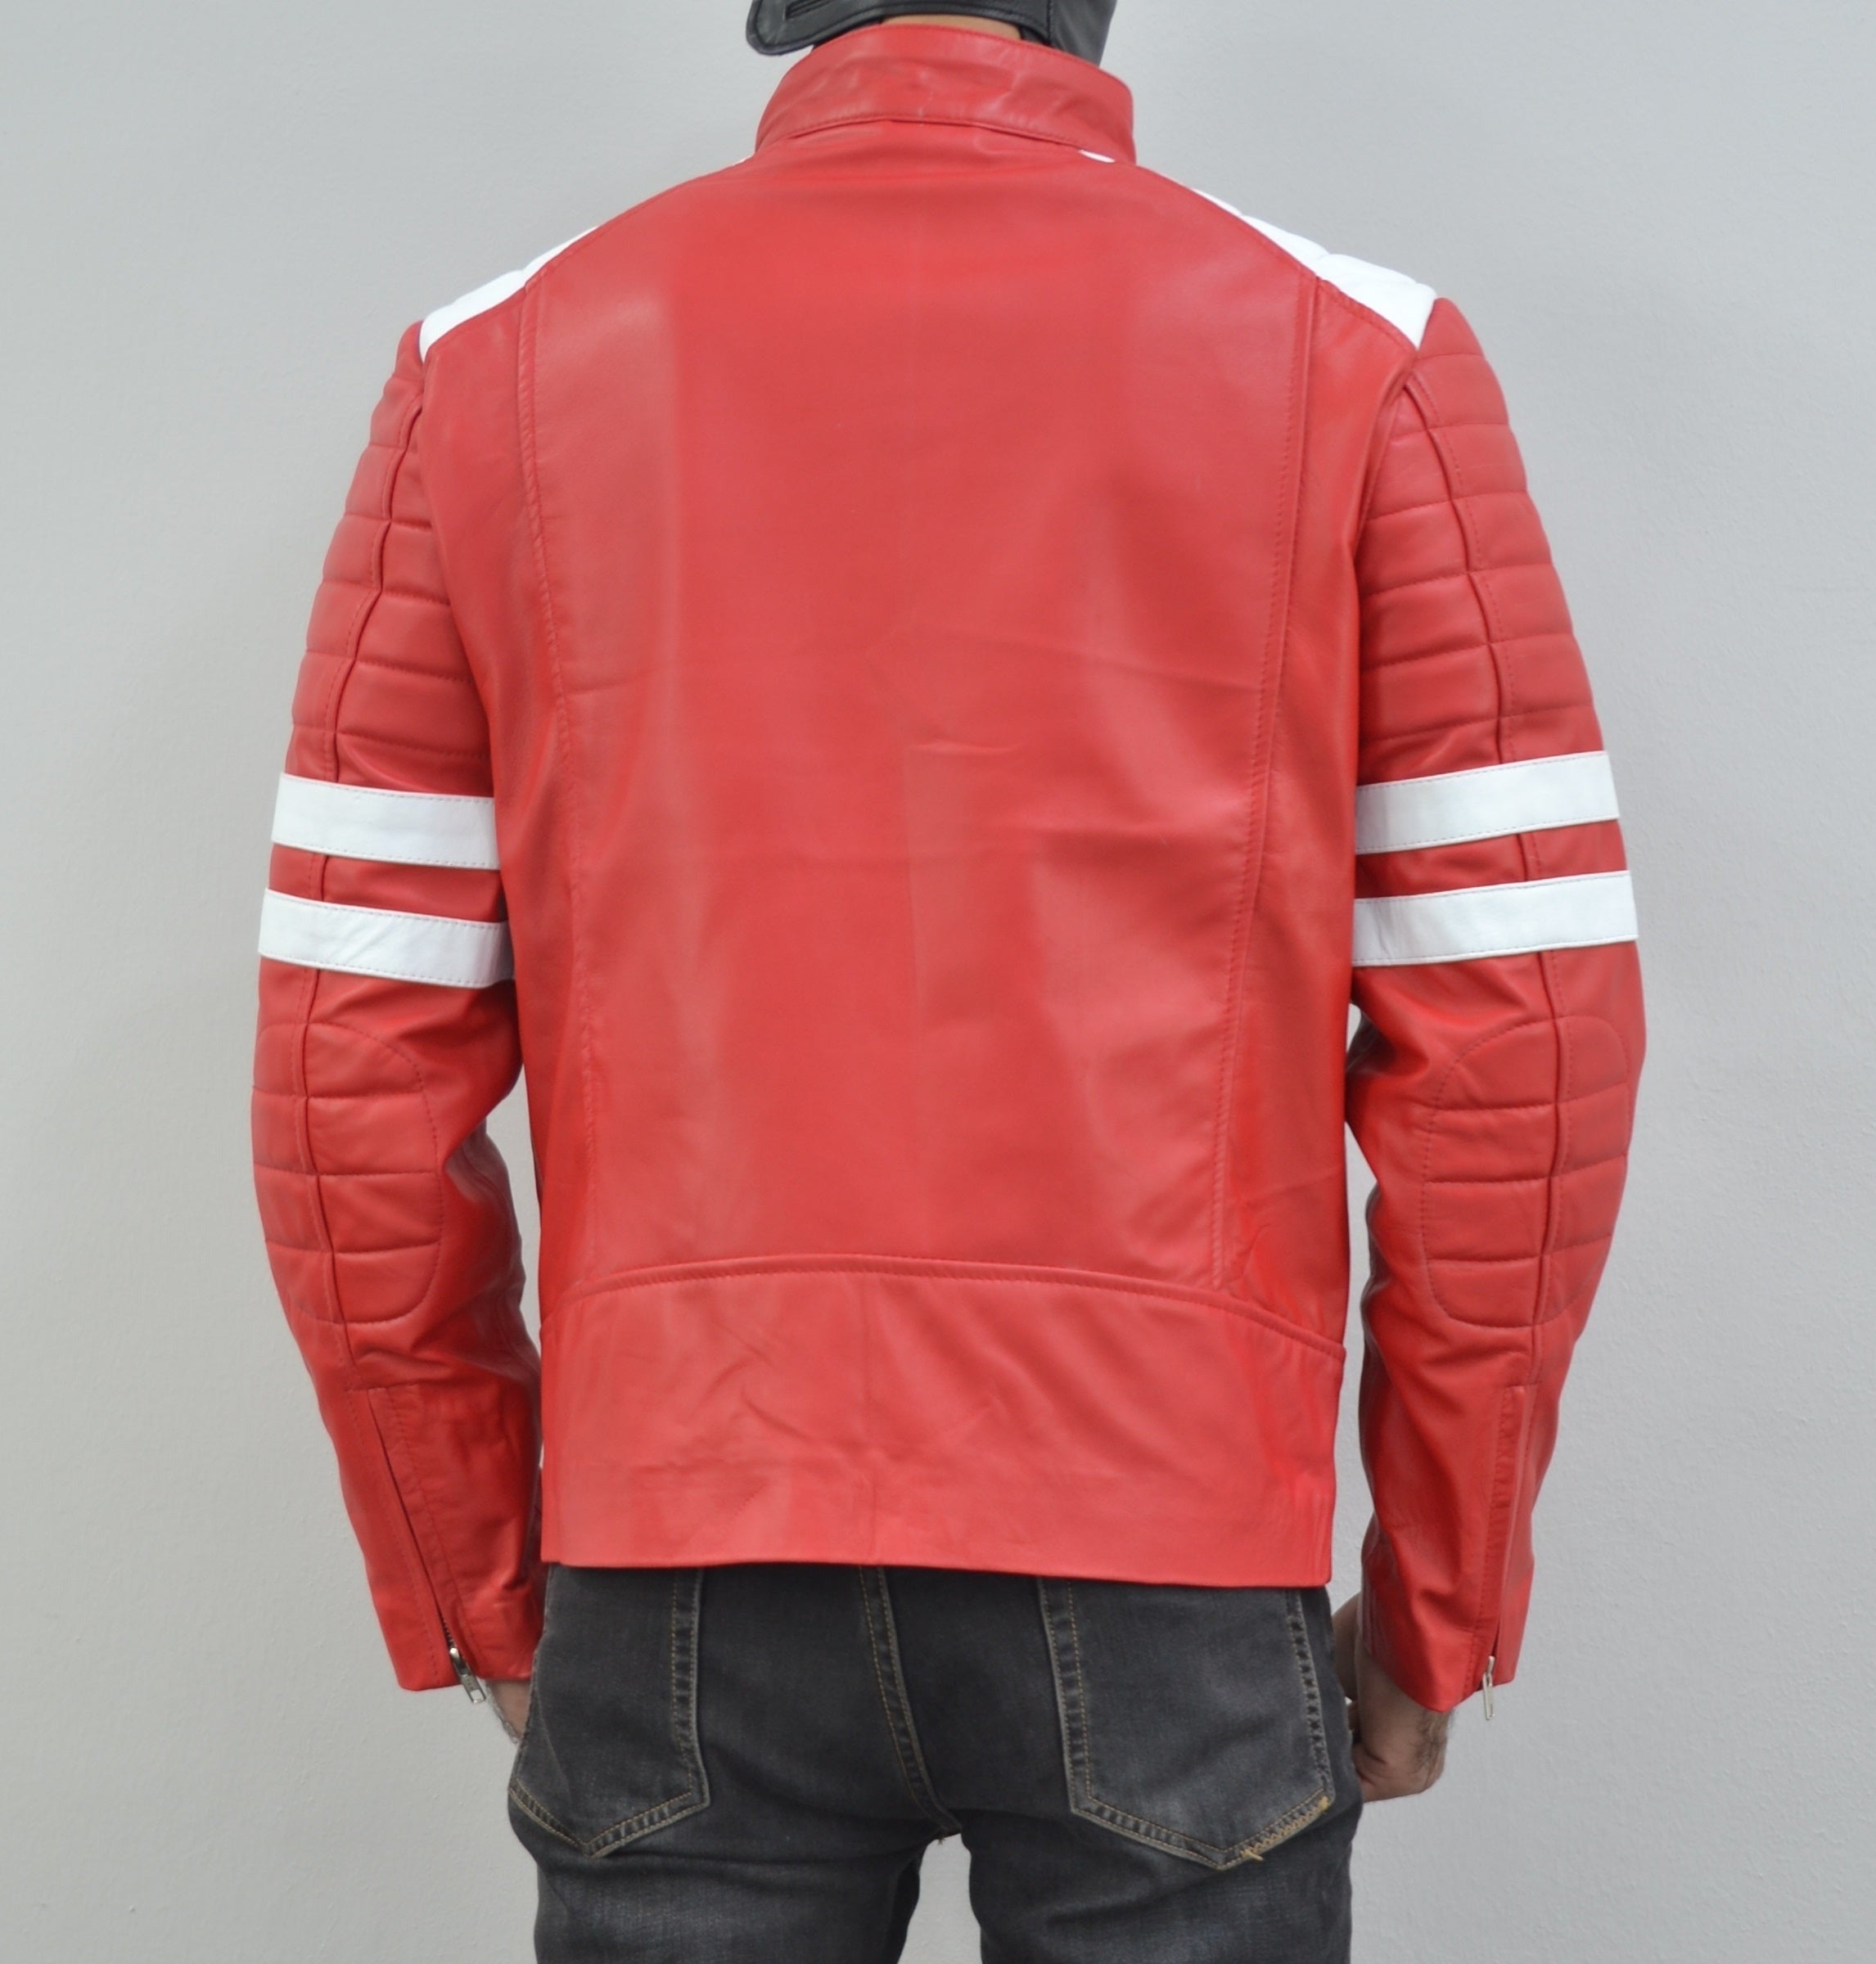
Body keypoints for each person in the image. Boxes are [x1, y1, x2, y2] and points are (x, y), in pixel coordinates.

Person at [251, 3, 1644, 1956]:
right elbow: (1524, 1046)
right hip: (1167, 1539)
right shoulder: (1359, 352)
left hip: (683, 1536)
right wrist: (1442, 1594)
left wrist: (477, 1573)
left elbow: (351, 1056)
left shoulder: (489, 365)